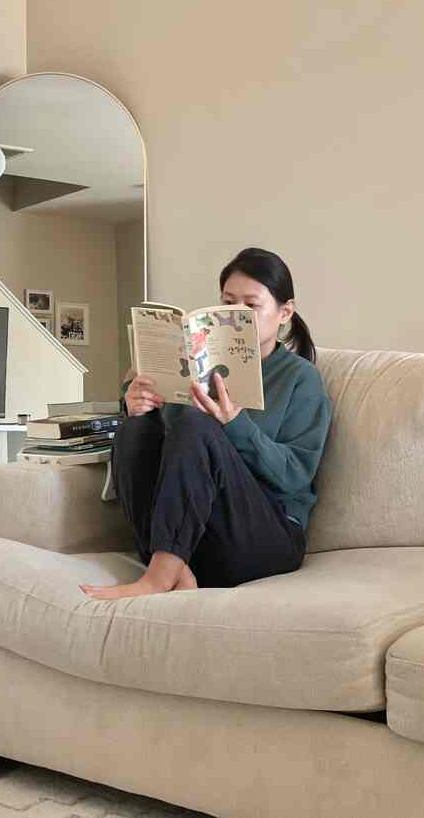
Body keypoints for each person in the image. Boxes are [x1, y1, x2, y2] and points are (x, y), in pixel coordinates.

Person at [80, 247, 333, 600]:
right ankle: (177, 570)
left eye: (250, 306)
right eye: (228, 303)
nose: (236, 315)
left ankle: (156, 580)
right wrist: (139, 403)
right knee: (134, 430)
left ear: (284, 313)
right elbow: (168, 455)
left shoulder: (300, 378)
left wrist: (233, 423)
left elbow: (294, 474)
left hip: (265, 539)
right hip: (197, 537)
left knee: (199, 427)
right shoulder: (200, 365)